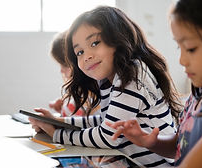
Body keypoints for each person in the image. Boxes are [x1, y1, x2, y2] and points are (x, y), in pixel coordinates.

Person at [29, 6, 182, 167]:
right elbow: (105, 122)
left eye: (94, 43)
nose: (87, 56)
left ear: (118, 39)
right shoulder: (110, 79)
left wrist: (57, 134)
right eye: (79, 52)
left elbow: (108, 136)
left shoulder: (132, 74)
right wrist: (58, 121)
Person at [107, 0, 202, 167]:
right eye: (178, 47)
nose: (181, 60)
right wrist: (150, 141)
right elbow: (180, 145)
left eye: (190, 48)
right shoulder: (197, 95)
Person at [44, 31, 100, 117]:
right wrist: (63, 108)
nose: (61, 71)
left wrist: (55, 122)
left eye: (64, 65)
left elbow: (83, 125)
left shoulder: (92, 99)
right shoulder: (77, 92)